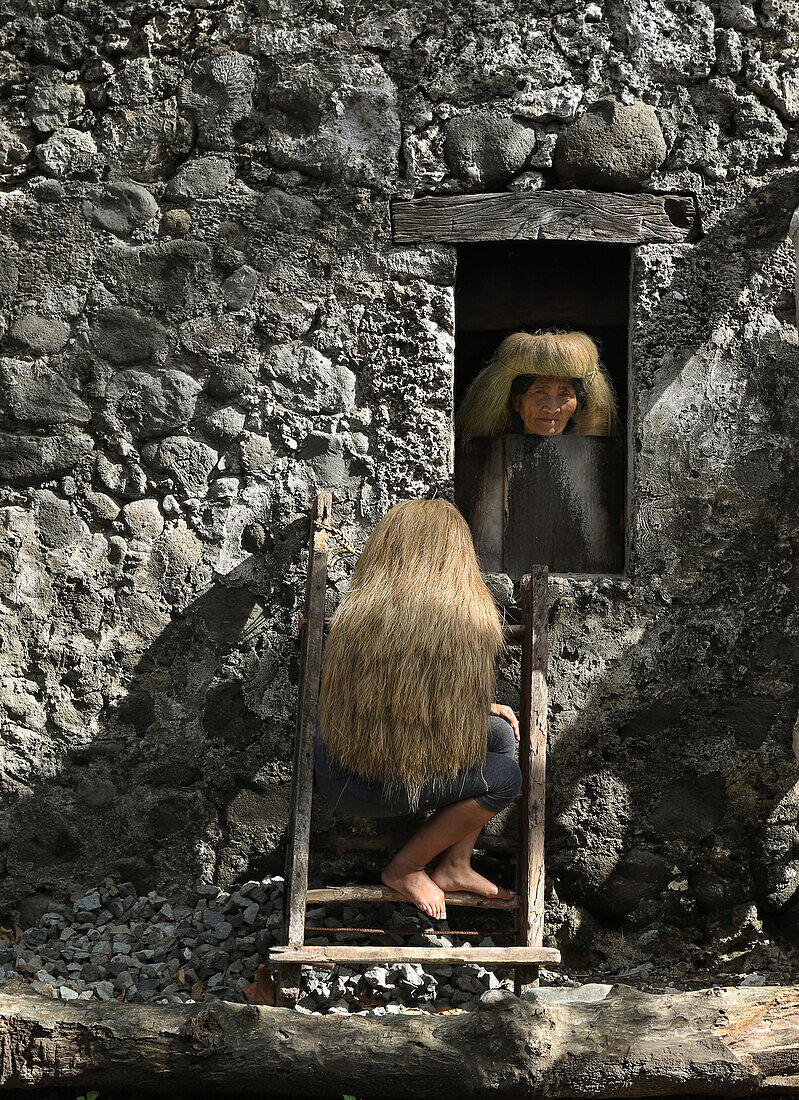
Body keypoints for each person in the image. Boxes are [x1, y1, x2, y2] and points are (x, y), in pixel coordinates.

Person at [314, 498, 522, 920]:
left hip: (342, 775)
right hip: (370, 779)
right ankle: (405, 868)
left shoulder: (355, 613)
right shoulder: (469, 620)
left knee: (499, 735)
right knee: (505, 777)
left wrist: (481, 705)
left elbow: (395, 695)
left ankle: (454, 864)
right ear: (455, 553)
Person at [456, 330, 619, 440]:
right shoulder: (491, 458)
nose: (552, 407)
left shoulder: (590, 461)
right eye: (540, 392)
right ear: (516, 401)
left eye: (564, 395)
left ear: (577, 408)